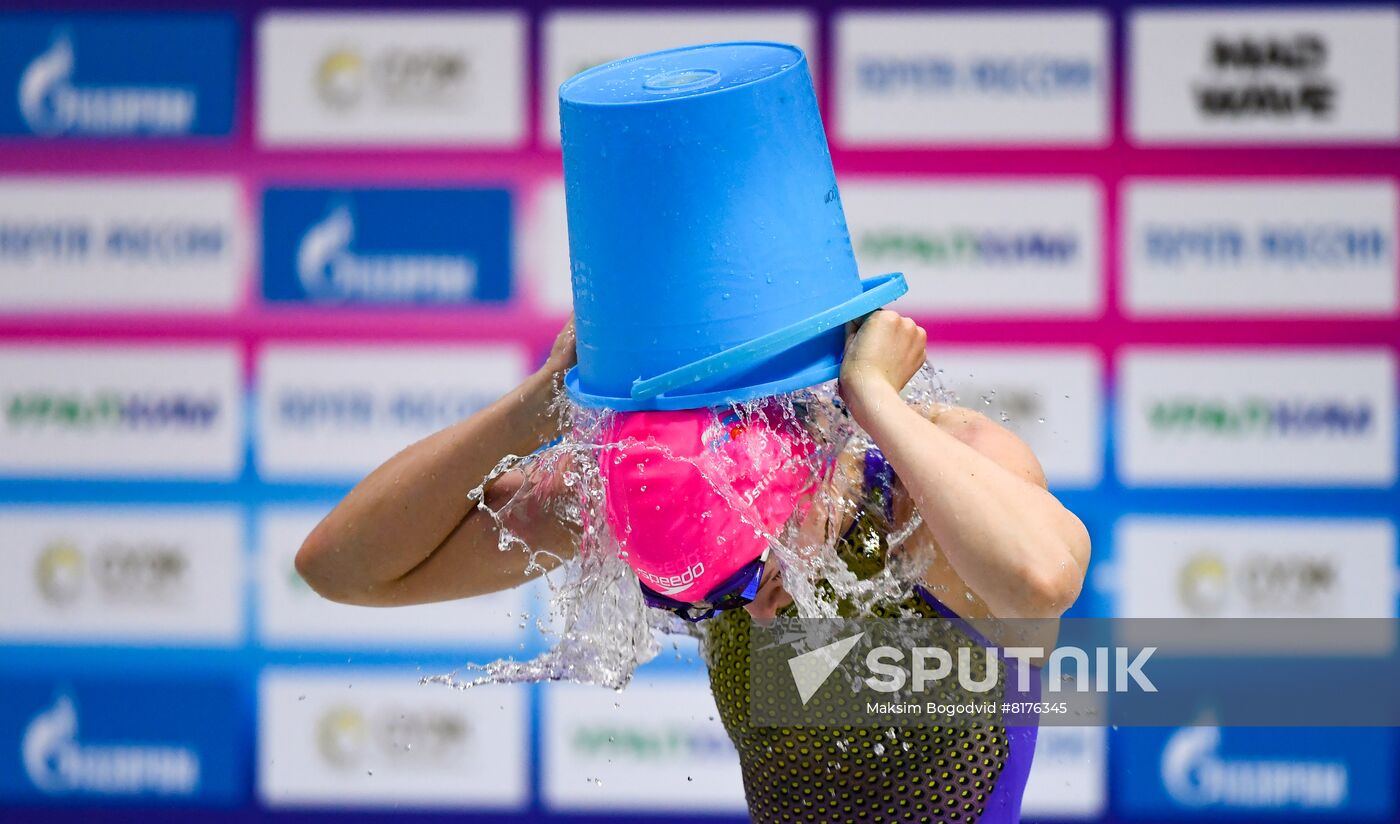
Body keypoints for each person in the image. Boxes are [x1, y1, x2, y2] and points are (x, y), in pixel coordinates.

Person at [296, 309, 1091, 823]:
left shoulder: (925, 496)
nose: (743, 602)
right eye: (713, 585)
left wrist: (871, 396)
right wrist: (534, 406)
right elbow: (344, 567)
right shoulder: (669, 494)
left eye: (750, 566)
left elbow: (1044, 578)